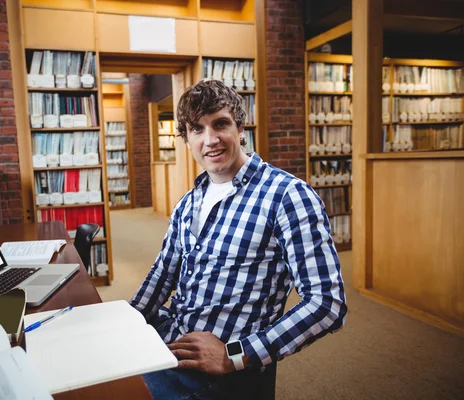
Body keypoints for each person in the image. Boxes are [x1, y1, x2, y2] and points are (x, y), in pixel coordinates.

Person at [130, 80, 347, 399]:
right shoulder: (189, 202)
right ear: (186, 138)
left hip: (223, 372)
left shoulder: (287, 196)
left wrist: (235, 355)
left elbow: (327, 302)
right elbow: (162, 274)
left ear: (241, 128)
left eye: (220, 124)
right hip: (171, 342)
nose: (210, 140)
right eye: (197, 129)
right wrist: (125, 321)